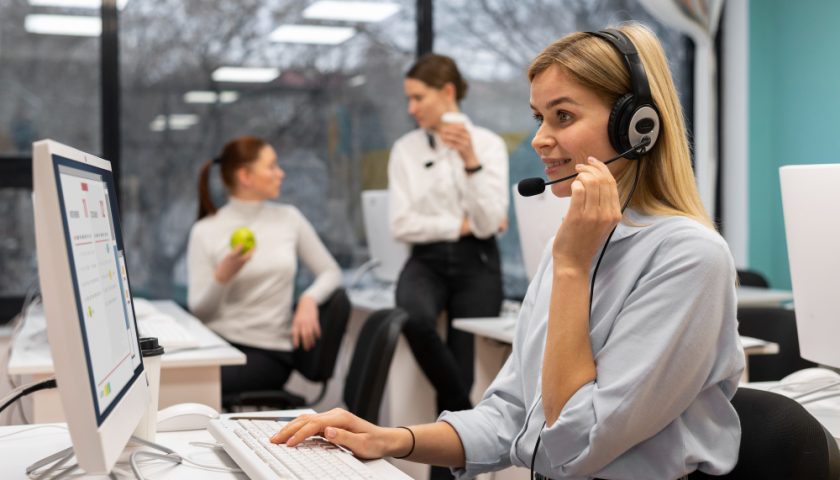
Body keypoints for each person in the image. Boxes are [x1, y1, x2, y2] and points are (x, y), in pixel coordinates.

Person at [271, 23, 744, 480]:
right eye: (539, 117)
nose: (539, 138)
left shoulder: (687, 257)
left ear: (636, 127)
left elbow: (573, 446)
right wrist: (391, 439)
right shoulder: (574, 246)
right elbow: (509, 416)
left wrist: (573, 269)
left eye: (563, 115)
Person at [388, 52, 509, 479]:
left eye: (418, 97)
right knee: (412, 316)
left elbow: (490, 220)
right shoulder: (405, 150)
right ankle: (466, 414)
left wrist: (471, 162)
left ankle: (448, 460)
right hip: (426, 262)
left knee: (463, 351)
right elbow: (402, 223)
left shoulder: (489, 146)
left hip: (478, 263)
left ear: (447, 92)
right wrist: (457, 224)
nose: (411, 108)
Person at [187, 136, 341, 397]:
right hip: (218, 345)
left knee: (188, 388)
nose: (280, 173)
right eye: (271, 166)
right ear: (245, 175)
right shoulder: (205, 230)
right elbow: (201, 311)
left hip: (268, 353)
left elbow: (331, 272)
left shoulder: (289, 218)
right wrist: (223, 277)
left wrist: (308, 299)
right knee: (170, 378)